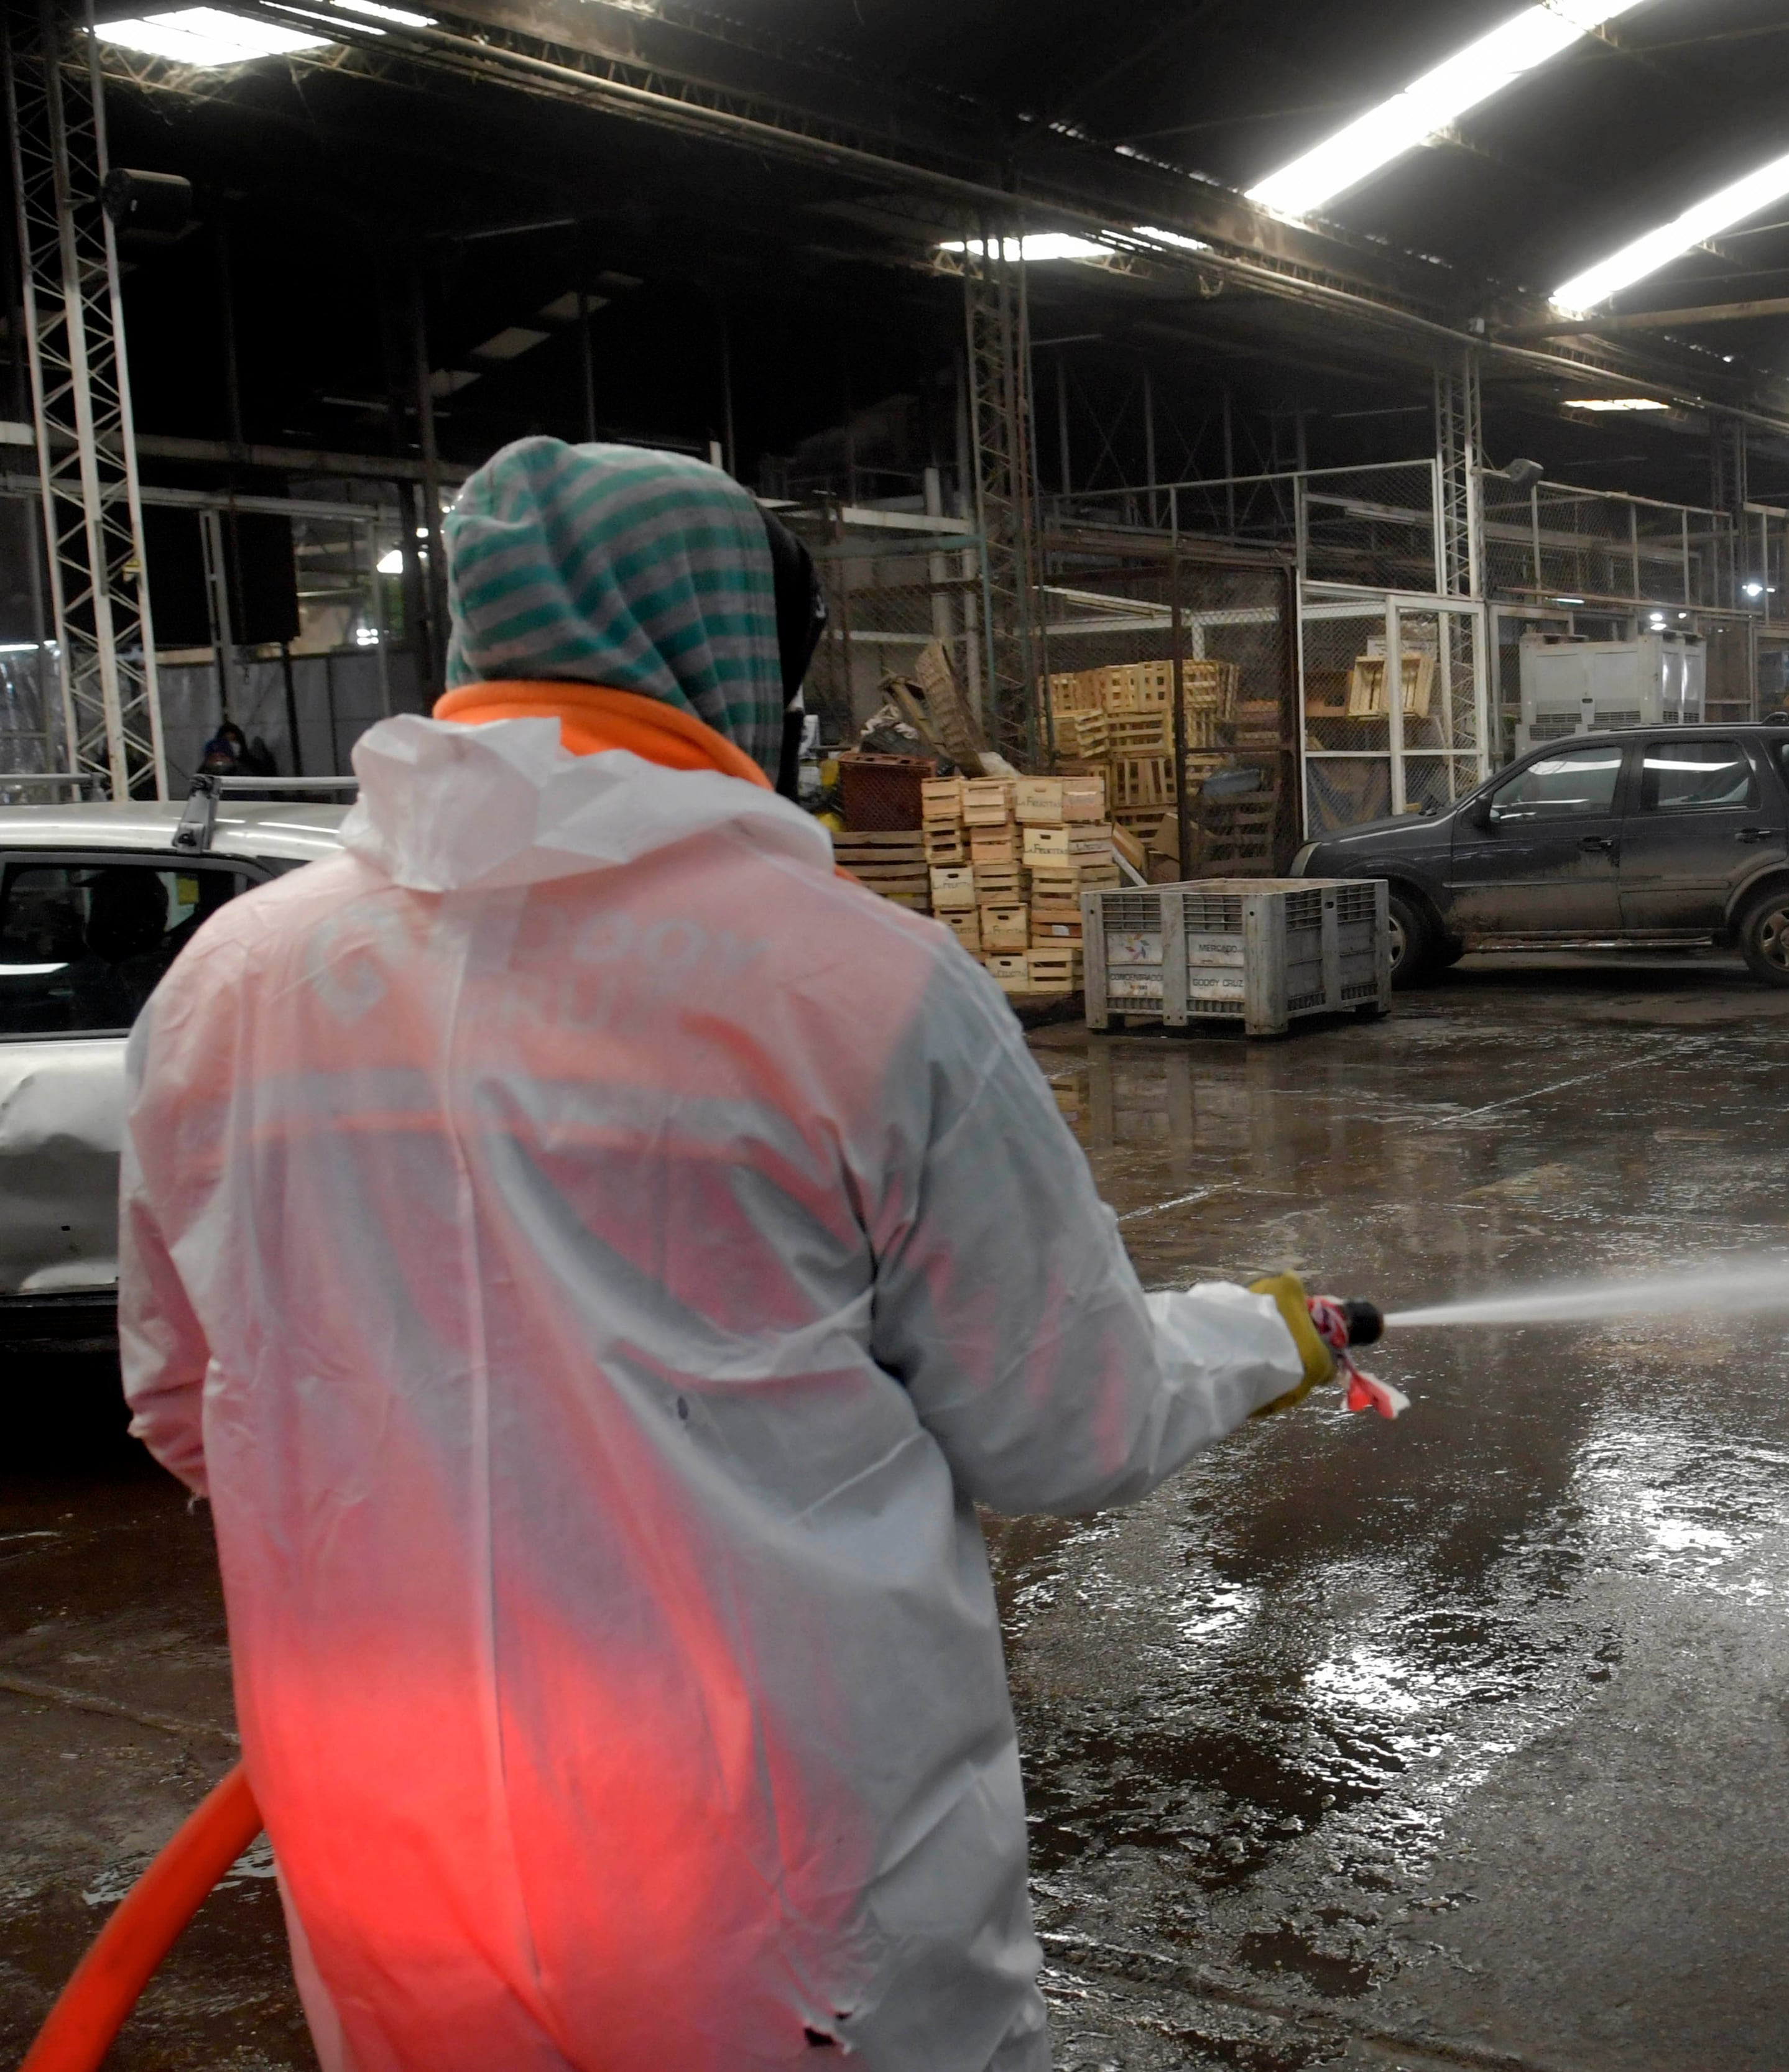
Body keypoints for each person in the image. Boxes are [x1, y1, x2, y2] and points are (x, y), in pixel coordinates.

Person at [118, 437, 1364, 2070]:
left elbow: (183, 1399)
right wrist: (1268, 1333)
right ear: (743, 663)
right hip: (782, 1915)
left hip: (400, 1892)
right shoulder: (858, 983)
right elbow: (1066, 1416)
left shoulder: (232, 980)